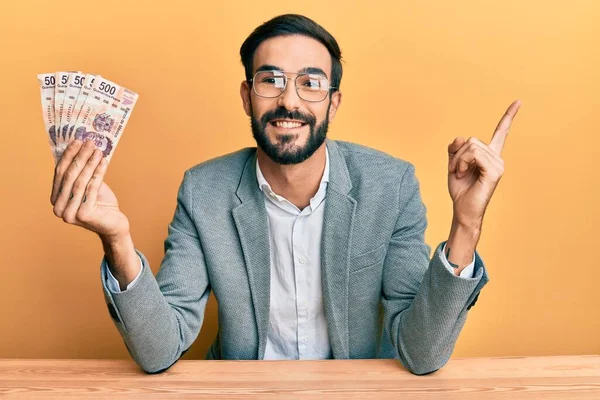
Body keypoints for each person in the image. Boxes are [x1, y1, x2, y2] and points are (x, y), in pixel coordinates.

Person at [50, 14, 520, 375]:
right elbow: (159, 350)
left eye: (310, 83)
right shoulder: (204, 191)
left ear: (333, 102)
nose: (288, 101)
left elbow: (420, 354)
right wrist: (117, 239)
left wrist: (466, 224)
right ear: (246, 96)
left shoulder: (389, 185)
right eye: (270, 80)